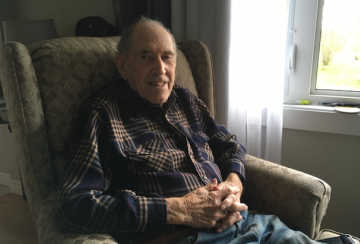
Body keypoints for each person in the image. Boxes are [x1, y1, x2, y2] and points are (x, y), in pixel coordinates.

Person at [55, 17, 329, 244]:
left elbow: (228, 144)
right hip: (185, 237)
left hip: (249, 224)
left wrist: (234, 183)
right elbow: (74, 206)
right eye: (145, 56)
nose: (160, 68)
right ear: (123, 66)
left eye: (167, 58)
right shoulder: (100, 114)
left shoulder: (185, 100)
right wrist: (181, 209)